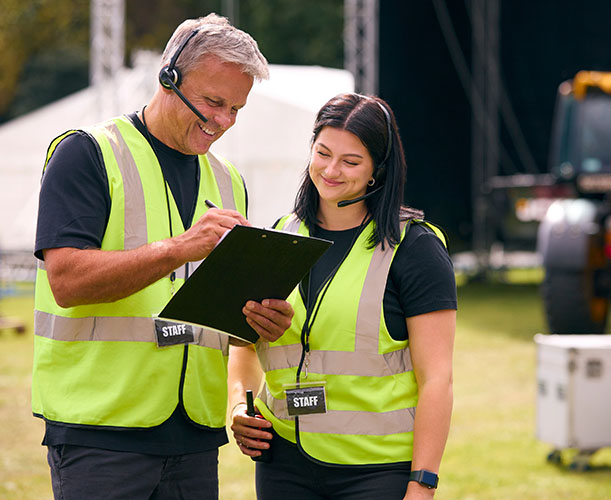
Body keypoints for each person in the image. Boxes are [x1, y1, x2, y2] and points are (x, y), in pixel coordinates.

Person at [32, 13, 293, 500]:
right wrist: (178, 249)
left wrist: (259, 320)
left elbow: (222, 316)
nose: (224, 121)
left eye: (237, 108)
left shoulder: (229, 182)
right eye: (214, 102)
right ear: (168, 76)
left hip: (194, 435)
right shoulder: (86, 154)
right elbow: (65, 281)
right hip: (101, 434)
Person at [228, 93, 457, 499]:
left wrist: (422, 485)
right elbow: (244, 343)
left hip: (376, 470)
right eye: (323, 153)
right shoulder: (281, 234)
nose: (331, 170)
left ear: (377, 171)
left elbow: (436, 377)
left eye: (351, 162)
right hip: (284, 464)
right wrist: (239, 407)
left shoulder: (414, 249)